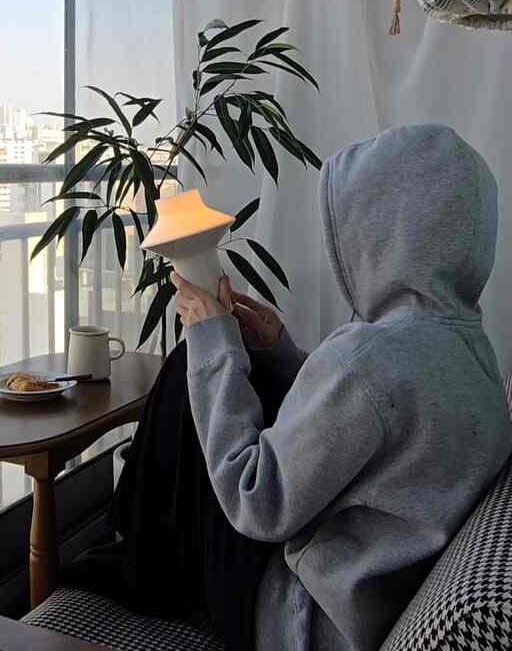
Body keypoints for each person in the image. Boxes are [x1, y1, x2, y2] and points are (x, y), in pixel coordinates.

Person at [67, 125, 512, 651]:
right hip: (365, 592)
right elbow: (367, 418)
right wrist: (278, 349)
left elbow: (256, 499)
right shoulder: (470, 348)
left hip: (294, 614)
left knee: (191, 361)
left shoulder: (369, 358)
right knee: (225, 360)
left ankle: (136, 557)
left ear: (384, 233)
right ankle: (135, 546)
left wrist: (211, 340)